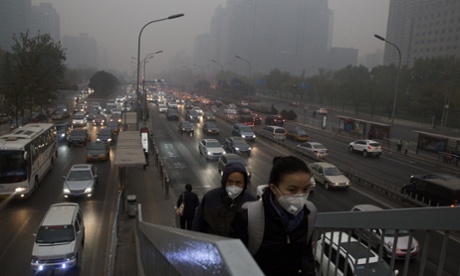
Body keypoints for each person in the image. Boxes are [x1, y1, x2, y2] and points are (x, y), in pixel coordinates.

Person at [229, 156, 317, 276]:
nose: (300, 196)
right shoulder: (249, 217)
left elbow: (306, 256)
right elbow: (233, 262)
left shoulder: (308, 214)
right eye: (292, 190)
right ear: (274, 189)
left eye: (305, 189)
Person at [191, 162, 255, 236]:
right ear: (224, 181)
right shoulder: (210, 197)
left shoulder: (250, 202)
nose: (233, 186)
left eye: (238, 183)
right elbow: (197, 226)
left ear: (244, 184)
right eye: (230, 182)